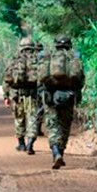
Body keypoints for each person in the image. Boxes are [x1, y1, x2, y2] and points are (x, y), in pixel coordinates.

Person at [38, 35, 84, 169]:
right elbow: (80, 79)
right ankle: (61, 154)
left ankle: (56, 152)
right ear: (69, 44)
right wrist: (77, 94)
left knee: (53, 126)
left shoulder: (48, 56)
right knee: (64, 126)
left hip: (50, 96)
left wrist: (42, 92)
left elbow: (41, 78)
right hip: (69, 96)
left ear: (56, 44)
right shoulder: (74, 57)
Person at [2, 37, 40, 154]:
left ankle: (22, 144)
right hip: (32, 95)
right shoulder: (37, 60)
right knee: (32, 118)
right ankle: (30, 144)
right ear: (32, 47)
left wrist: (6, 96)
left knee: (19, 119)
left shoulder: (14, 61)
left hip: (17, 96)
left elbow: (7, 80)